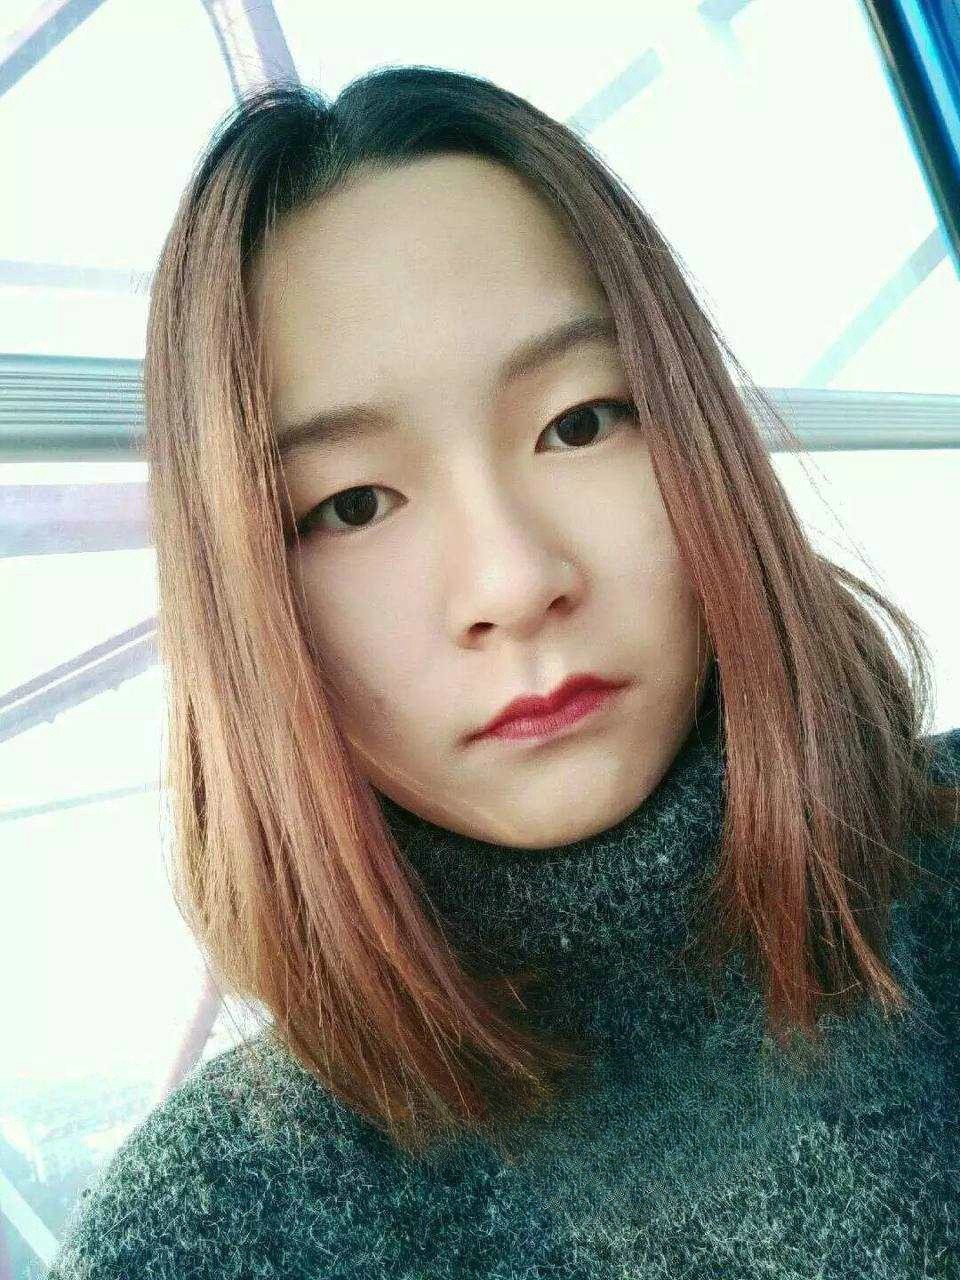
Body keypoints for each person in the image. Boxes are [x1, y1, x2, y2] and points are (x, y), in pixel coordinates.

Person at [47, 66, 960, 1278]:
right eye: (353, 503)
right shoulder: (209, 1233)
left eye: (579, 422)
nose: (515, 582)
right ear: (249, 607)